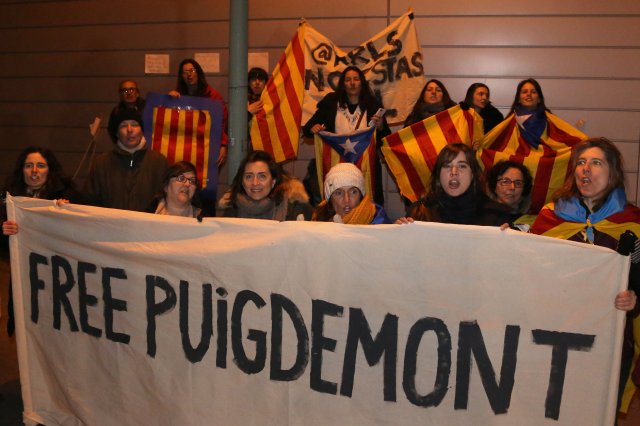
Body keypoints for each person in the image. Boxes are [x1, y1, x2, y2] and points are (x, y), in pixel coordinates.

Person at [530, 137, 639, 414]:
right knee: (555, 409)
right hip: (557, 336)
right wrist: (504, 239)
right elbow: (527, 268)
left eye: (595, 162)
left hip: (611, 341)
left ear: (612, 172)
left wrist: (635, 300)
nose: (585, 169)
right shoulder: (550, 218)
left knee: (600, 411)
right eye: (580, 162)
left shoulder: (632, 222)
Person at [2, 146, 80, 336]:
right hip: (23, 275)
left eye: (40, 166)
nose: (34, 171)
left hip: (58, 276)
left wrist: (70, 213)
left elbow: (81, 231)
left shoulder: (68, 195)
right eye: (29, 166)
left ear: (50, 169)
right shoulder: (7, 197)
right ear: (22, 170)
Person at [302, 66, 389, 206]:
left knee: (367, 206)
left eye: (356, 79)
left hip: (366, 168)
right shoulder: (331, 102)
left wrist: (381, 127)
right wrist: (314, 128)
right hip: (337, 167)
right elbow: (307, 129)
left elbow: (385, 140)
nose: (352, 83)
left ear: (362, 83)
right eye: (348, 80)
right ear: (343, 84)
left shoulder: (373, 104)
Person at [84, 108, 168, 212]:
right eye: (123, 125)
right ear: (117, 133)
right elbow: (88, 203)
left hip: (147, 227)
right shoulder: (101, 163)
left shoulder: (159, 162)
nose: (129, 130)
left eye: (134, 124)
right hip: (111, 226)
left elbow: (167, 202)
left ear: (142, 130)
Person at [218, 150, 312, 221]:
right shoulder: (232, 208)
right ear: (242, 182)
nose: (255, 183)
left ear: (273, 182)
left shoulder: (295, 208)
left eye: (262, 176)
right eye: (249, 176)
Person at [169, 58, 228, 166]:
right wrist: (168, 101)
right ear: (181, 77)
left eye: (192, 70)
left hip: (206, 147)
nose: (189, 75)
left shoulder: (213, 96)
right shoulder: (177, 96)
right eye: (185, 72)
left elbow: (222, 123)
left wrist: (223, 145)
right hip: (183, 147)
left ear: (199, 72)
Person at [406, 143, 485, 224]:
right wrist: (397, 231)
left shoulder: (494, 215)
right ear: (438, 173)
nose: (454, 172)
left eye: (462, 166)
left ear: (472, 174)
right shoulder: (419, 213)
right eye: (447, 166)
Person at [312, 163, 390, 224]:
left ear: (361, 196)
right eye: (339, 193)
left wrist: (396, 231)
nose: (347, 200)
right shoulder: (318, 222)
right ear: (330, 200)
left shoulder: (378, 221)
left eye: (353, 192)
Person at [480, 160, 533, 227]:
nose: (512, 187)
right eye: (505, 181)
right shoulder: (479, 215)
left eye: (518, 183)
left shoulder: (530, 223)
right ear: (494, 186)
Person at [507, 78, 550, 148]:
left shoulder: (550, 121)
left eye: (533, 92)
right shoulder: (508, 123)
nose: (529, 94)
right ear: (518, 99)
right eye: (524, 92)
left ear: (539, 99)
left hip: (543, 157)